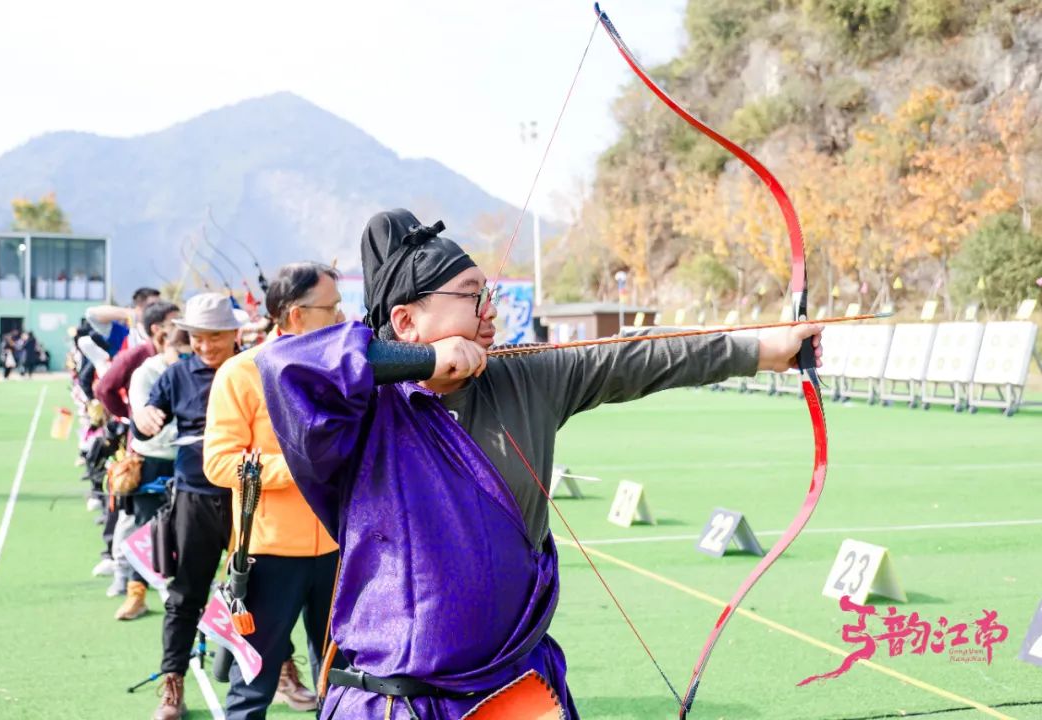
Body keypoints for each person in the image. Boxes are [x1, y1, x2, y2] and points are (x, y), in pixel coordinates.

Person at [255, 209, 824, 719]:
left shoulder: (522, 378)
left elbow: (633, 356)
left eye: (488, 293)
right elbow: (284, 367)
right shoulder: (357, 414)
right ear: (405, 322)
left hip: (515, 690)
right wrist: (426, 360)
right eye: (470, 295)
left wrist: (759, 349)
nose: (489, 310)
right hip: (398, 703)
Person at [204, 263, 346, 718]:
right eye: (332, 307)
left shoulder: (342, 367)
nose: (342, 317)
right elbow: (219, 462)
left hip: (340, 549)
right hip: (268, 557)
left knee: (343, 680)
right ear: (297, 315)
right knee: (252, 688)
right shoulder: (239, 373)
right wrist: (298, 468)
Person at [133, 293, 242, 720]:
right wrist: (144, 418)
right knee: (185, 593)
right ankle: (172, 681)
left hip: (247, 499)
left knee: (263, 592)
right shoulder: (177, 374)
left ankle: (281, 669)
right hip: (194, 498)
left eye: (215, 337)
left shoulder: (251, 368)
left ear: (234, 334)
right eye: (198, 337)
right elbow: (146, 423)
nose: (205, 346)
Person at [94, 300, 180, 602]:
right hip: (144, 452)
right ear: (159, 333)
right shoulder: (140, 361)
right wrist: (130, 418)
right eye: (175, 323)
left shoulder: (182, 364)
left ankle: (153, 582)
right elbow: (104, 388)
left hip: (176, 456)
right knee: (136, 522)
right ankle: (127, 582)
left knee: (166, 524)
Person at [86, 287, 161, 356]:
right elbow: (91, 314)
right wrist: (131, 313)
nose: (158, 309)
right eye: (152, 306)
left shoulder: (163, 330)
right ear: (138, 308)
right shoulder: (124, 332)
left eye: (160, 305)